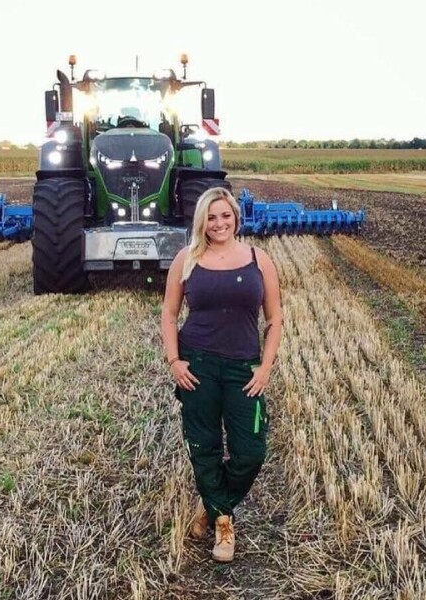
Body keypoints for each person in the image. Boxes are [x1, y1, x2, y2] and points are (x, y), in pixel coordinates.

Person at [160, 186, 283, 563]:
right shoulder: (187, 259)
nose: (219, 223)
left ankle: (213, 503)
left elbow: (275, 319)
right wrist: (174, 360)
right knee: (204, 446)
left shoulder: (258, 259)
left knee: (251, 452)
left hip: (243, 368)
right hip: (197, 366)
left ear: (236, 218)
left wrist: (265, 367)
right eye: (211, 217)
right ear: (202, 221)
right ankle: (224, 524)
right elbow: (169, 314)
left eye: (225, 215)